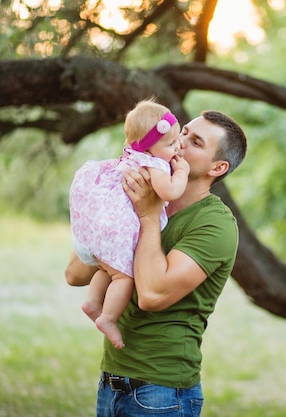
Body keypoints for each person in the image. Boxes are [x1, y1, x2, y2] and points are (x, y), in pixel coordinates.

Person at [65, 108, 247, 417]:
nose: (180, 141)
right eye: (184, 131)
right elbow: (75, 273)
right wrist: (113, 218)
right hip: (111, 381)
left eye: (196, 142)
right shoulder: (137, 196)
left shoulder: (215, 224)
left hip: (161, 392)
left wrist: (148, 216)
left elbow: (152, 294)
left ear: (218, 167)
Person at [69, 99, 189, 349]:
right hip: (119, 228)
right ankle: (108, 318)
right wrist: (182, 173)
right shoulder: (154, 163)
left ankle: (92, 301)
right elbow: (169, 191)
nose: (178, 147)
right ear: (148, 148)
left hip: (104, 224)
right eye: (171, 143)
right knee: (124, 277)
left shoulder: (134, 154)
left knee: (108, 268)